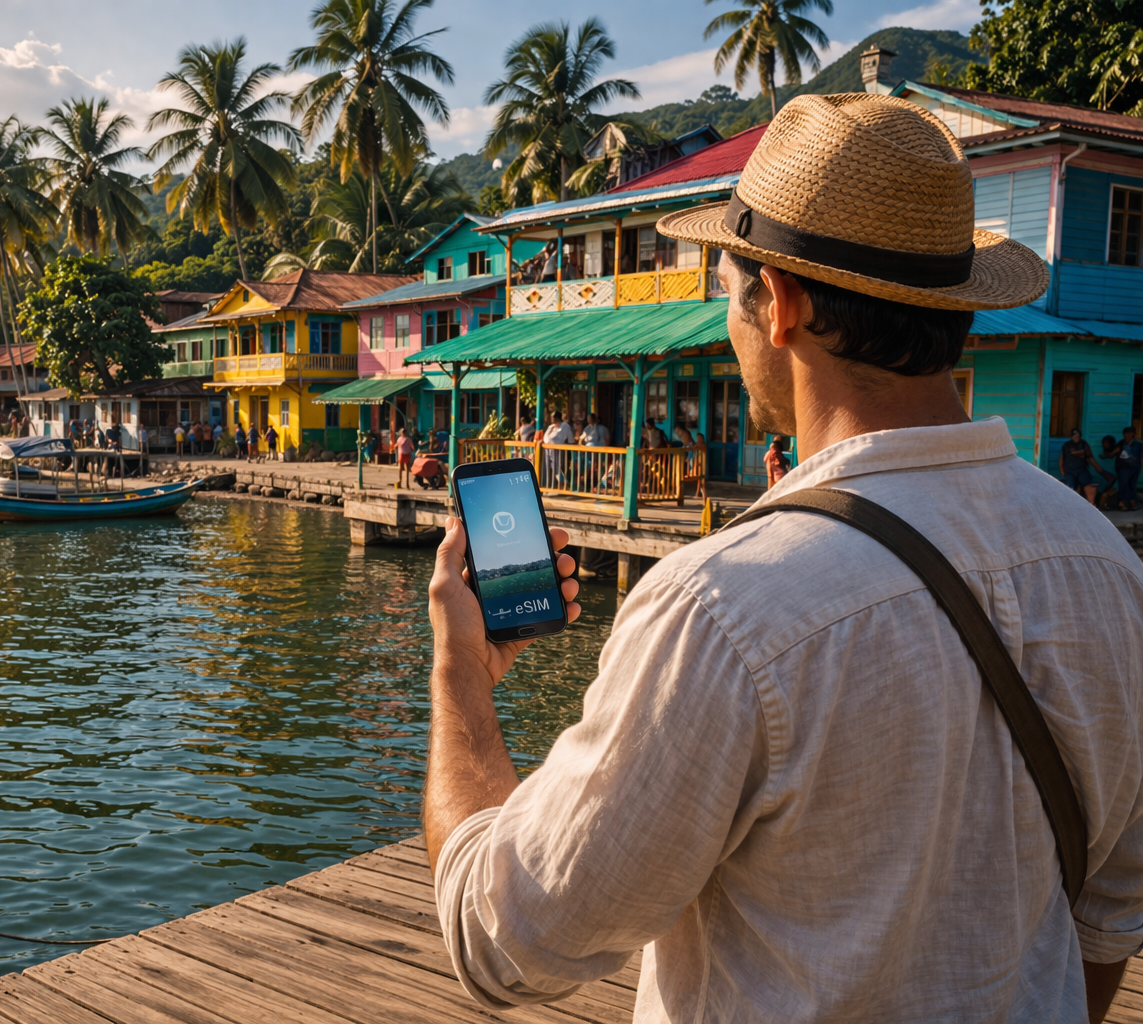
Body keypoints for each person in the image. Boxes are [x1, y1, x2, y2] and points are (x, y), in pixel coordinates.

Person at [423, 93, 1143, 1024]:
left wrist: (460, 684)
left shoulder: (725, 608)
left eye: (730, 287)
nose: (729, 320)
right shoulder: (1109, 569)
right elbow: (1106, 922)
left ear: (784, 304)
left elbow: (504, 944)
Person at [1061, 428, 1106, 505]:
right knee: (1070, 487)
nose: (1076, 437)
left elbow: (1090, 458)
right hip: (1070, 471)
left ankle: (1091, 504)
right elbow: (1062, 459)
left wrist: (1100, 470)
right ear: (1071, 436)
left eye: (1078, 435)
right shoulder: (1066, 445)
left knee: (1088, 485)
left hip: (1082, 470)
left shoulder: (1084, 444)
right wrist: (1062, 470)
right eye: (1074, 435)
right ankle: (1070, 505)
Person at [1115, 426, 1142, 511]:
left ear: (1133, 434)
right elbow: (1114, 452)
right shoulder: (1122, 443)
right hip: (1123, 467)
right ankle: (1123, 502)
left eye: (1130, 433)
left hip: (1135, 467)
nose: (1127, 435)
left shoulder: (1139, 444)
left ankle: (1132, 501)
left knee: (1132, 485)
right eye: (1126, 433)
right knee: (1124, 484)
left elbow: (1141, 456)